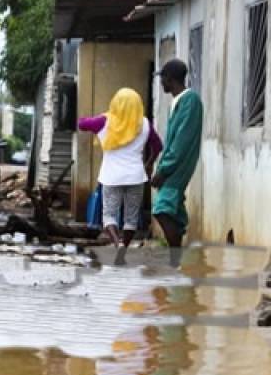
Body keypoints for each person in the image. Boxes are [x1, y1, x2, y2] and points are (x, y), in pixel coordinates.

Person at [78, 88, 163, 265]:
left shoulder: (104, 121)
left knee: (109, 215)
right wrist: (148, 163)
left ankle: (117, 245)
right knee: (131, 218)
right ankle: (124, 246)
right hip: (136, 177)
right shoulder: (145, 124)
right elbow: (158, 146)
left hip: (111, 177)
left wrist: (103, 116)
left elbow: (81, 124)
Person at [150, 58, 203, 266]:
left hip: (179, 163)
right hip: (174, 162)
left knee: (161, 209)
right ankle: (177, 256)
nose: (161, 82)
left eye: (162, 78)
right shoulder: (180, 101)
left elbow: (181, 140)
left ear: (169, 79)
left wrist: (164, 169)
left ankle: (175, 258)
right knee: (174, 208)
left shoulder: (190, 101)